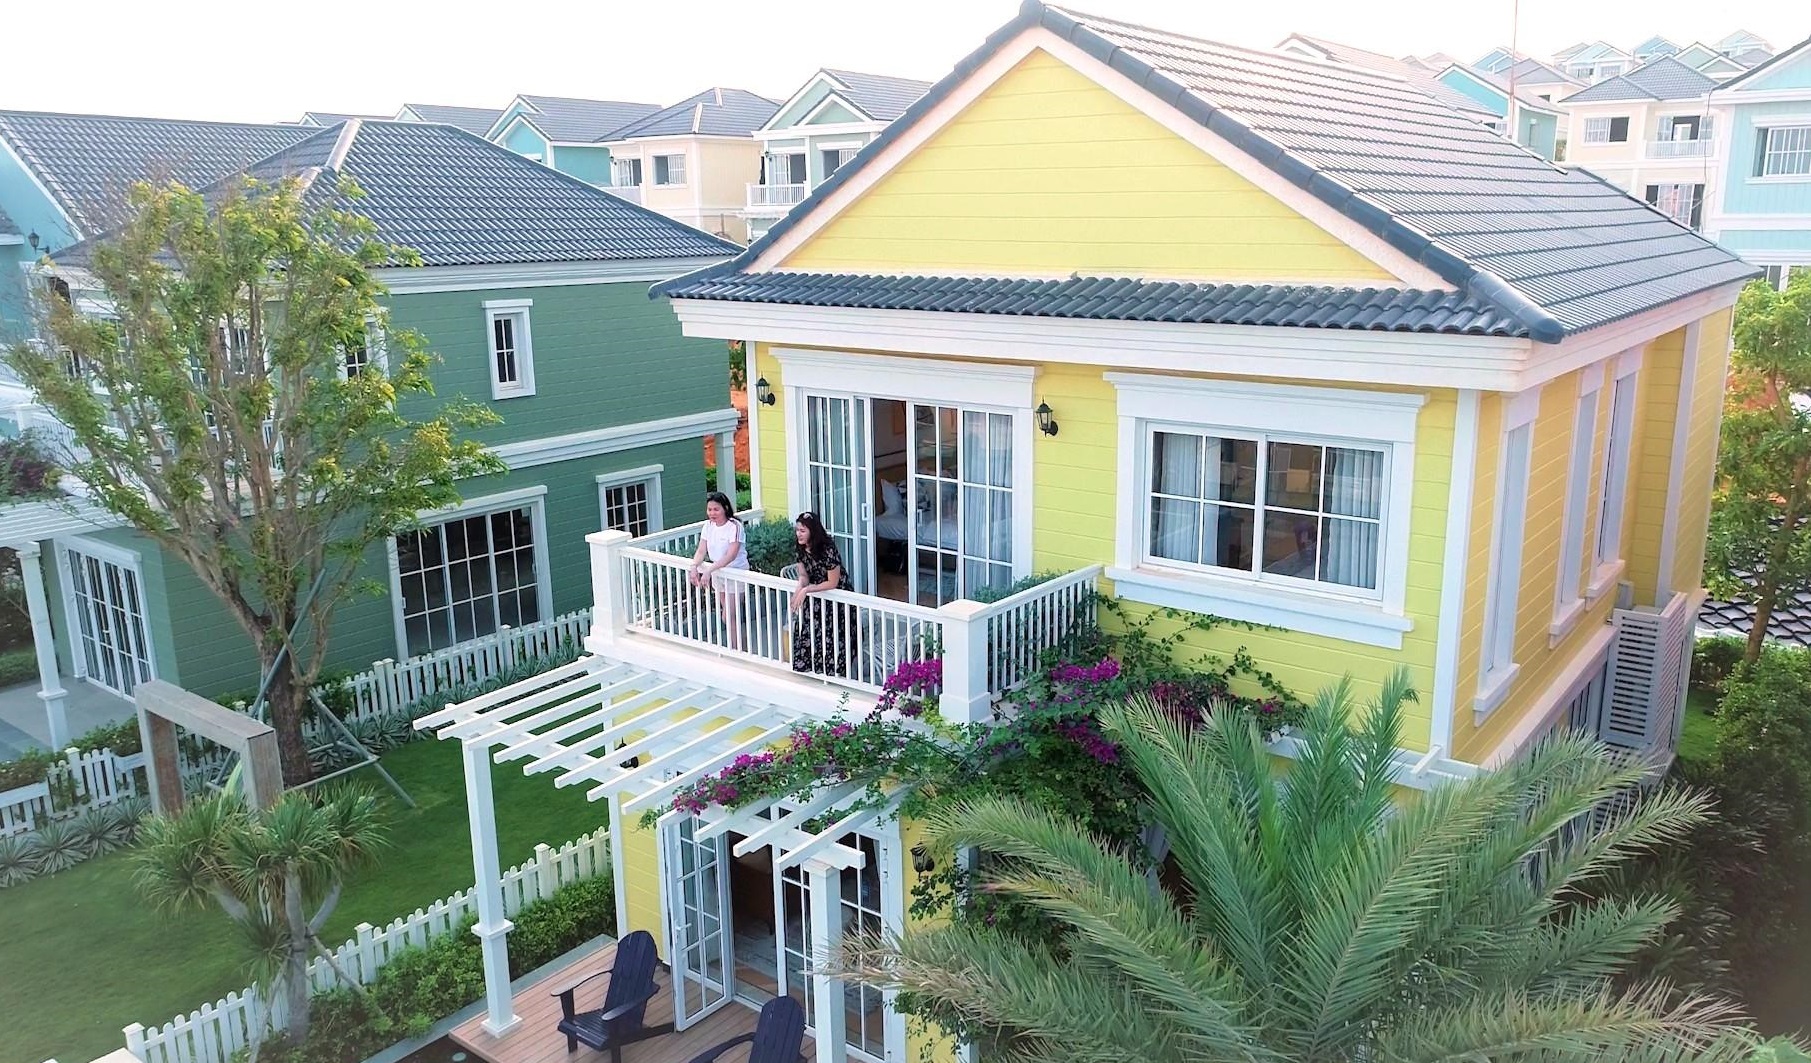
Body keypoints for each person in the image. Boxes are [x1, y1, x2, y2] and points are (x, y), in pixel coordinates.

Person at [790, 511, 851, 675]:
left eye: (802, 531)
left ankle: (833, 669)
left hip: (835, 594)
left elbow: (833, 582)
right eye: (797, 530)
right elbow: (803, 575)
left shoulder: (827, 548)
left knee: (833, 632)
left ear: (813, 531)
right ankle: (811, 665)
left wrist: (807, 589)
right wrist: (799, 589)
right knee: (808, 627)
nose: (798, 534)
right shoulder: (800, 548)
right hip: (817, 592)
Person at [689, 492, 748, 650]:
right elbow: (701, 551)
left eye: (716, 509)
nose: (712, 513)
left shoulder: (735, 526)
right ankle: (740, 647)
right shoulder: (708, 526)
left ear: (725, 508)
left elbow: (731, 555)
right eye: (709, 509)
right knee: (728, 617)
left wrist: (709, 570)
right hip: (719, 573)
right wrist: (694, 566)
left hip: (735, 573)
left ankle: (737, 649)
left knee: (728, 615)